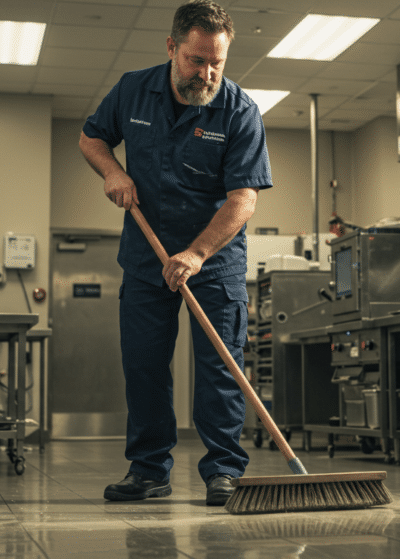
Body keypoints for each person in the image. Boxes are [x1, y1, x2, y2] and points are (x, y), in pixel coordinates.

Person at [78, 0, 272, 506]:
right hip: (145, 256)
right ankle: (148, 472)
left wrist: (197, 253)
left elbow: (243, 199)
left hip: (214, 258)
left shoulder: (240, 111)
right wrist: (113, 172)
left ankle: (224, 472)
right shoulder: (132, 89)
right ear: (172, 48)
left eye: (217, 62)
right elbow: (91, 137)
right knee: (144, 364)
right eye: (196, 59)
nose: (207, 73)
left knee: (220, 367)